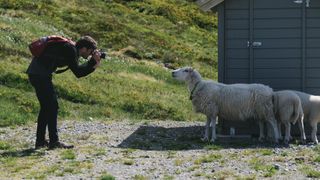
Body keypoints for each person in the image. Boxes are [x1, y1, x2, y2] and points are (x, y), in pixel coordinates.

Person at [26, 35, 102, 149]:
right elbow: (78, 72)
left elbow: (77, 69)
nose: (90, 54)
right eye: (90, 51)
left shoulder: (70, 48)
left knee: (47, 107)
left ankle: (41, 141)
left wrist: (92, 63)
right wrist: (92, 63)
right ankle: (54, 142)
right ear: (84, 48)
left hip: (37, 73)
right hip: (40, 75)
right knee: (52, 107)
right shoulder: (70, 50)